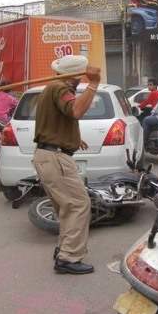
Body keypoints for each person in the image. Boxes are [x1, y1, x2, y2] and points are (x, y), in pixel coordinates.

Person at [32, 55, 101, 275]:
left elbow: (58, 121)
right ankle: (68, 258)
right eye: (81, 77)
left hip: (47, 154)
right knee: (79, 204)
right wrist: (94, 84)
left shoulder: (51, 88)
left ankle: (64, 249)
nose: (82, 81)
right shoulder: (60, 88)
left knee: (66, 207)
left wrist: (70, 138)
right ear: (76, 76)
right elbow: (76, 111)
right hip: (55, 158)